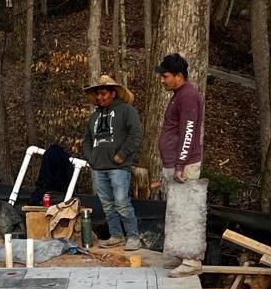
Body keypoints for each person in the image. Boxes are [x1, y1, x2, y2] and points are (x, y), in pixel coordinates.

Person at [151, 53, 205, 277]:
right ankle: (182, 255)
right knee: (177, 210)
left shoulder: (188, 96)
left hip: (184, 165)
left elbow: (188, 132)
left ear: (179, 76)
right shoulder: (179, 95)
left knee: (186, 211)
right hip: (174, 162)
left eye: (165, 76)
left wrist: (180, 165)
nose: (162, 80)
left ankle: (191, 261)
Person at [82, 74, 142, 249]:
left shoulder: (126, 110)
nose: (99, 97)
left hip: (119, 167)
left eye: (103, 94)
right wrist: (91, 158)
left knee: (122, 203)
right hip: (98, 167)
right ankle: (116, 236)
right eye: (98, 94)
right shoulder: (94, 117)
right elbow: (87, 140)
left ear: (113, 93)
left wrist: (122, 154)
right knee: (107, 205)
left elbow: (136, 134)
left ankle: (133, 237)